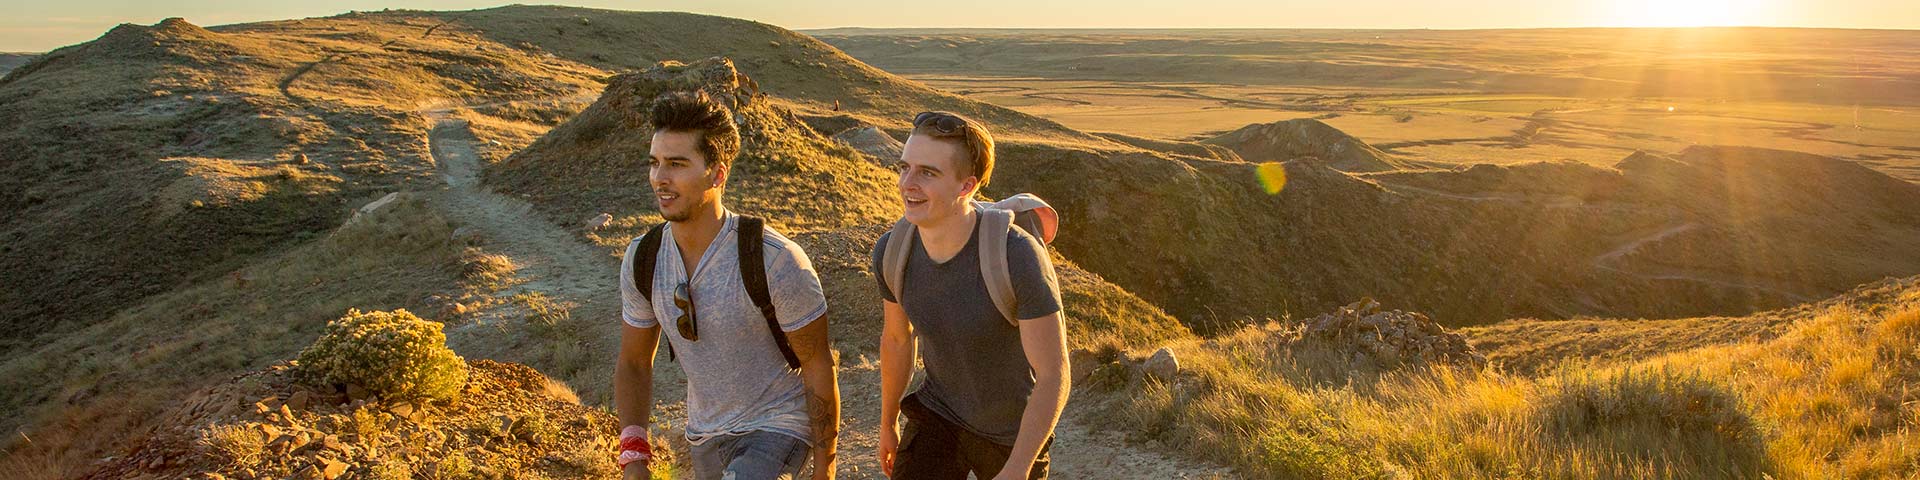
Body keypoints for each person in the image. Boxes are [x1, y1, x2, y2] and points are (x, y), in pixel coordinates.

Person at [613, 90, 839, 480]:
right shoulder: (643, 258)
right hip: (705, 437)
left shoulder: (774, 260)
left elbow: (818, 364)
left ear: (717, 173)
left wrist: (826, 470)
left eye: (677, 164)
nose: (660, 178)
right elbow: (634, 362)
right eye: (655, 163)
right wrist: (634, 453)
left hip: (779, 426)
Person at [872, 111, 1069, 479]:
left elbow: (1054, 374)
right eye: (904, 167)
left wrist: (1017, 469)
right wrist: (887, 423)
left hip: (1012, 432)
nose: (907, 183)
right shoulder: (893, 251)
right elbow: (898, 340)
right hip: (939, 413)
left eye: (927, 173)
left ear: (966, 186)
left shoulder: (1015, 256)